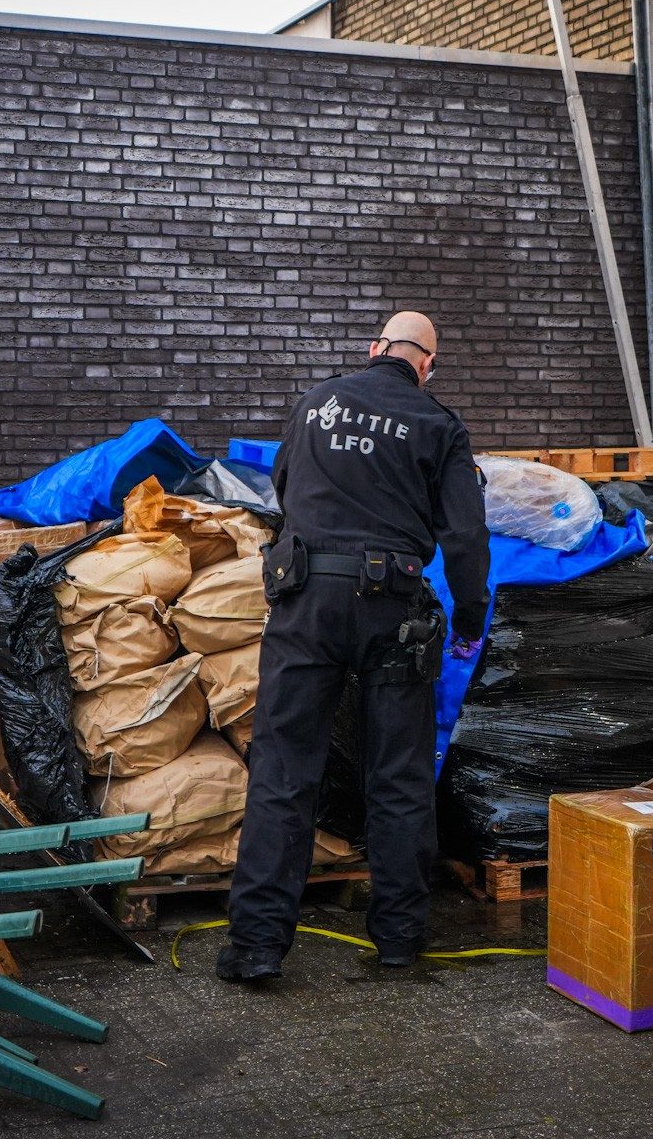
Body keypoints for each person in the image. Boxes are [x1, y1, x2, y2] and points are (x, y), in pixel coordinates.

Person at [218, 311, 490, 982]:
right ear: (426, 363)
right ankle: (398, 940)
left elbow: (282, 489)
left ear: (374, 350)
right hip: (394, 608)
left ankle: (256, 947)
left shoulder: (317, 402)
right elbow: (465, 537)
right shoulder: (438, 424)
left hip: (306, 601)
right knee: (396, 776)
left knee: (284, 771)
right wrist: (469, 617)